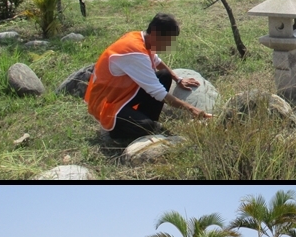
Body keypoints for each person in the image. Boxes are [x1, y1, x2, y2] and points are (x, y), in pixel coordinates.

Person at [84, 13, 210, 142]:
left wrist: (177, 79)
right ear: (155, 34)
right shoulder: (134, 53)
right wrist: (191, 109)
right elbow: (158, 93)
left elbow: (156, 61)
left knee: (165, 75)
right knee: (146, 127)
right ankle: (116, 131)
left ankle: (144, 118)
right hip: (107, 104)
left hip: (122, 95)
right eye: (167, 40)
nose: (168, 45)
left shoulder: (141, 38)